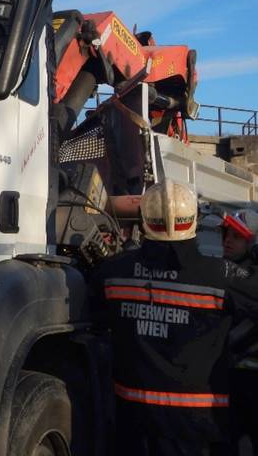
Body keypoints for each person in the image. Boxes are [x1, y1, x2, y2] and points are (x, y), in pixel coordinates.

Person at [93, 179, 258, 456]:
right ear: (193, 221)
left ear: (144, 221)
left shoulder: (112, 273)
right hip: (198, 427)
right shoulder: (222, 277)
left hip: (133, 422)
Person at [221, 209, 258, 455]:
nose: (228, 240)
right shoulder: (223, 271)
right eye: (226, 233)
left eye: (237, 236)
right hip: (229, 375)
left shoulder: (248, 279)